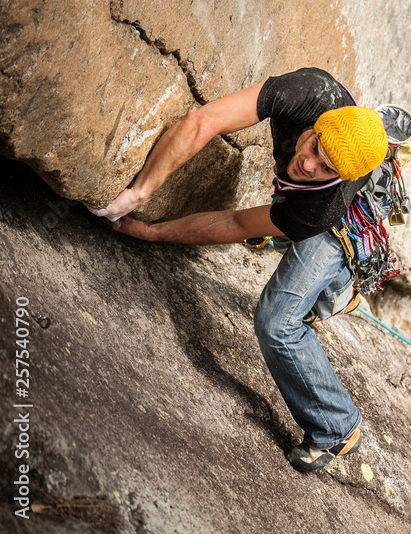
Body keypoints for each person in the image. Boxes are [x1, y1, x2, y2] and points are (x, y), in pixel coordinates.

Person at [90, 67, 389, 473]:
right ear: (318, 124)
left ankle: (336, 426)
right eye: (316, 146)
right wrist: (141, 190)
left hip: (347, 218)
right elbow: (204, 120)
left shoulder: (320, 208)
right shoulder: (308, 92)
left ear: (338, 176)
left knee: (278, 323)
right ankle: (336, 291)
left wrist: (153, 232)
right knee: (289, 232)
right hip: (352, 164)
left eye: (325, 167)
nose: (307, 162)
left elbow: (236, 224)